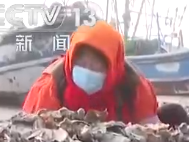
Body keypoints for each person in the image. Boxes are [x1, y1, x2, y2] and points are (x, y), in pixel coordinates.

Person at [22, 21, 160, 124]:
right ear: (70, 60)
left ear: (113, 66)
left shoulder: (135, 89)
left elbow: (151, 132)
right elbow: (30, 131)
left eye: (96, 66)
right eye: (81, 63)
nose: (88, 70)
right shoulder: (49, 87)